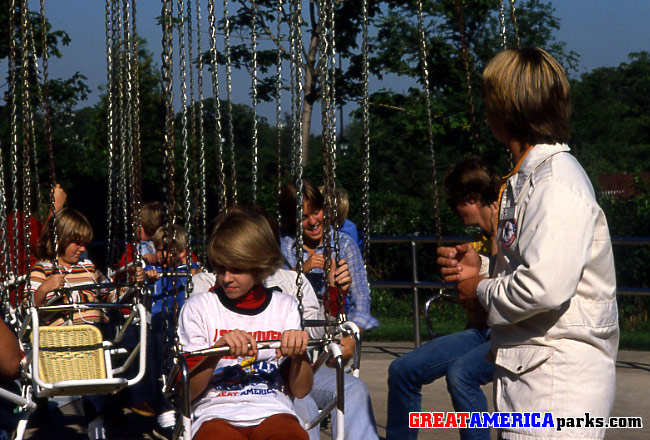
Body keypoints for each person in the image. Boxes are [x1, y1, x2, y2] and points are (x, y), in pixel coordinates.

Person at [437, 47, 618, 439]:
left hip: (558, 388)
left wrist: (480, 289)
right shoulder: (527, 179)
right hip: (534, 377)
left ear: (506, 108)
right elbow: (537, 265)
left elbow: (544, 287)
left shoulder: (556, 184)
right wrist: (482, 268)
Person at [385, 157, 499, 440]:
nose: (454, 211)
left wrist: (497, 239)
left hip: (512, 332)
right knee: (402, 369)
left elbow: (514, 289)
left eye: (455, 203)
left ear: (470, 199)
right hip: (484, 330)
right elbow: (477, 299)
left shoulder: (512, 226)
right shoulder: (480, 239)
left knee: (461, 375)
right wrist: (466, 271)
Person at [177, 208, 312, 439]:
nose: (227, 278)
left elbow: (301, 390)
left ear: (260, 266)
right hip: (216, 413)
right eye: (220, 268)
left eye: (237, 269)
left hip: (273, 410)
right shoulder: (199, 307)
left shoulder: (284, 306)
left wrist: (299, 355)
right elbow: (185, 393)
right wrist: (215, 353)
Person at [279, 179, 380, 440]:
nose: (313, 221)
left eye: (316, 212)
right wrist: (301, 271)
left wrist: (350, 336)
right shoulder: (281, 248)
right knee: (305, 407)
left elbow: (363, 302)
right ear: (292, 220)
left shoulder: (343, 244)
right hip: (290, 350)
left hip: (329, 338)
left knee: (353, 390)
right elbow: (271, 291)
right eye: (303, 217)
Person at [130, 224, 201, 439]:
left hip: (185, 324)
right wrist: (145, 279)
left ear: (181, 252)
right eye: (160, 249)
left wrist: (195, 274)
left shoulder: (190, 269)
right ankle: (163, 407)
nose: (162, 255)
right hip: (162, 324)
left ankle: (186, 404)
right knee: (156, 340)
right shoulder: (156, 272)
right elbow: (141, 288)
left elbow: (199, 277)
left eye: (168, 250)